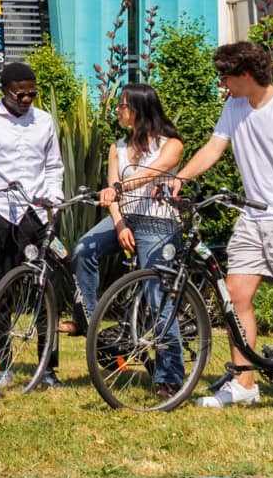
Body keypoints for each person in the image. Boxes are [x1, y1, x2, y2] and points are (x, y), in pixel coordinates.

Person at [175, 40, 273, 413]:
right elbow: (213, 148)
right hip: (253, 217)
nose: (222, 84)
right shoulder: (235, 106)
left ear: (245, 74)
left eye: (224, 77)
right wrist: (178, 178)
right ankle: (244, 383)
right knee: (236, 296)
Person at [71, 84, 187, 391]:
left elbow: (152, 171)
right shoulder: (117, 147)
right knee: (84, 249)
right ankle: (91, 322)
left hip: (159, 222)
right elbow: (112, 192)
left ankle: (170, 377)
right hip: (126, 218)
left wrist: (120, 187)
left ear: (140, 108)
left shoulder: (171, 144)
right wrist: (120, 225)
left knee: (158, 295)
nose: (118, 111)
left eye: (122, 105)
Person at [0, 61, 66, 388]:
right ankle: (2, 364)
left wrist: (54, 200)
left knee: (48, 293)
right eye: (21, 94)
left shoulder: (44, 121)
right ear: (5, 91)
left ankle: (47, 369)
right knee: (0, 292)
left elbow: (54, 166)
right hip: (2, 215)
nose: (27, 99)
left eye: (32, 93)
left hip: (39, 214)